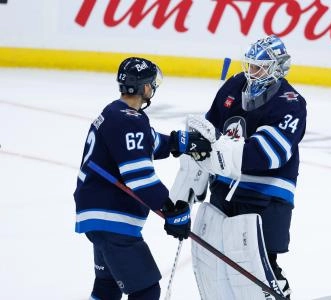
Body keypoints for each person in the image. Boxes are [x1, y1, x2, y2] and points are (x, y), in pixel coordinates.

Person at [73, 57, 211, 300]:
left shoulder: (114, 112)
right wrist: (171, 210)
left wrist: (181, 142)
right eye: (152, 84)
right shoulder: (129, 120)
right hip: (112, 217)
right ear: (145, 87)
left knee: (107, 287)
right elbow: (139, 177)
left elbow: (150, 142)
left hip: (98, 215)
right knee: (146, 291)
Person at [187, 35, 307, 299]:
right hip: (225, 188)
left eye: (259, 67)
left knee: (257, 271)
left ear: (278, 67)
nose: (251, 72)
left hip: (266, 196)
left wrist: (220, 150)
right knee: (218, 267)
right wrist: (192, 182)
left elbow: (269, 154)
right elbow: (208, 132)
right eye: (250, 65)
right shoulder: (234, 85)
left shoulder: (291, 103)